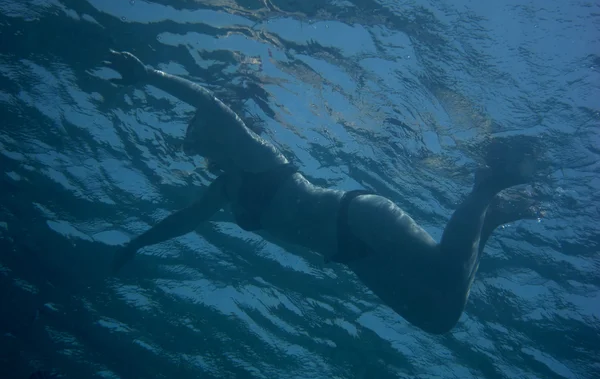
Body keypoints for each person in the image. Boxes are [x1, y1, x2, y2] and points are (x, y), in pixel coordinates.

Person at [103, 50, 538, 335]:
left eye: (192, 130)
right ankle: (490, 219)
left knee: (445, 275)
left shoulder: (253, 153)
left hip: (358, 217)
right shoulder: (223, 191)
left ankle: (487, 186)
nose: (188, 140)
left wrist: (146, 75)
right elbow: (183, 220)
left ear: (211, 131)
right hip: (351, 254)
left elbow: (209, 103)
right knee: (437, 320)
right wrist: (138, 243)